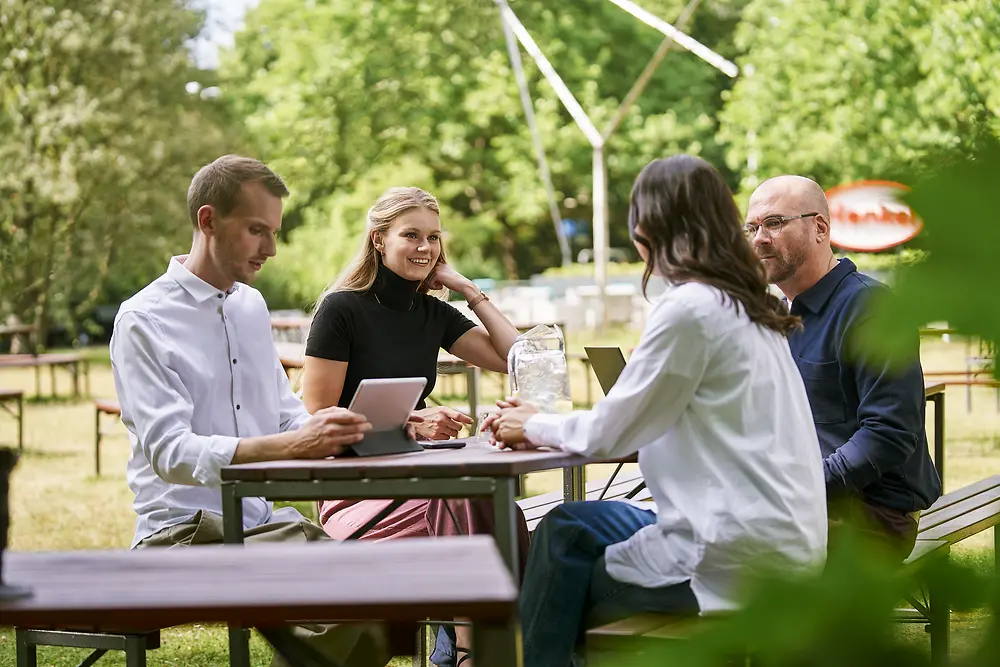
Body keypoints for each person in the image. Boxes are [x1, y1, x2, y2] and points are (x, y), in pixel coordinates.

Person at [485, 155, 829, 667]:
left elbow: (611, 433)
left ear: (645, 231)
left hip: (734, 560)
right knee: (565, 528)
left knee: (561, 577)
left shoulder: (692, 309)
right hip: (783, 540)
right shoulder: (753, 302)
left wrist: (528, 422)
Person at [110, 154, 387, 667]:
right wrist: (290, 446)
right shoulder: (143, 320)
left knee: (374, 592)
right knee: (355, 592)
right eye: (257, 230)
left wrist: (354, 426)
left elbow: (285, 416)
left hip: (258, 524)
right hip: (182, 533)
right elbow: (172, 454)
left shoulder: (250, 306)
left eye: (274, 231)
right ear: (208, 220)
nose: (272, 249)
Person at [300, 186, 529, 667]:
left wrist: (469, 290)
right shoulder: (341, 309)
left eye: (433, 237)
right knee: (466, 500)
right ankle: (472, 653)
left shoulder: (431, 312)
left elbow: (515, 359)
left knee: (503, 510)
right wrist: (411, 422)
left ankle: (470, 651)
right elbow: (317, 416)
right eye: (411, 235)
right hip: (354, 487)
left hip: (421, 477)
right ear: (378, 239)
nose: (425, 248)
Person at [746, 175, 941, 559]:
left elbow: (888, 435)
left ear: (820, 227)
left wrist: (803, 487)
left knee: (717, 551)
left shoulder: (870, 308)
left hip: (873, 517)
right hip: (806, 503)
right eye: (751, 227)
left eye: (774, 223)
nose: (759, 238)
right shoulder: (781, 315)